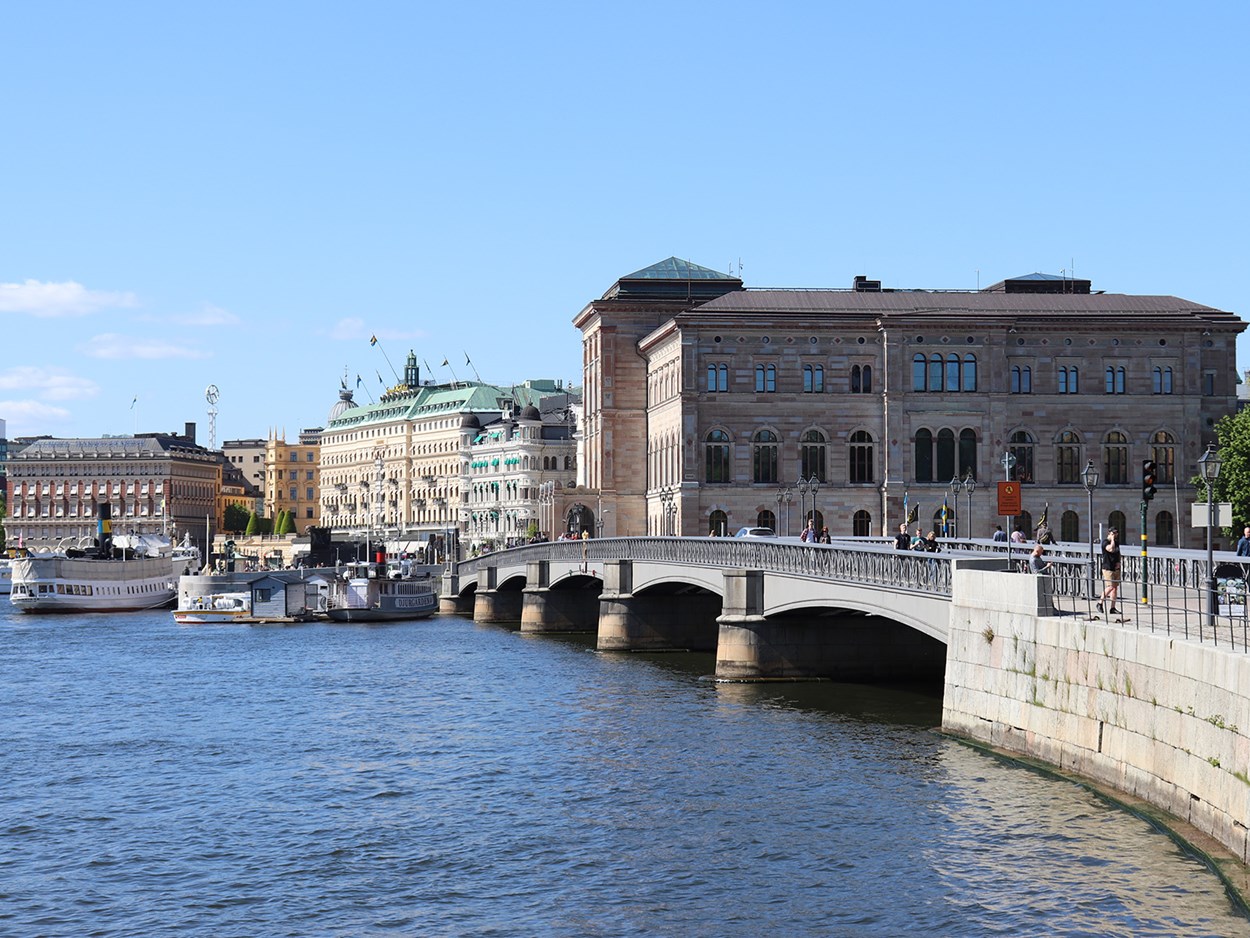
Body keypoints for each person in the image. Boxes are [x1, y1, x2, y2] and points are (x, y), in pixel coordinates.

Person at [1098, 528, 1122, 614]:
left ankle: (1113, 608)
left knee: (1115, 588)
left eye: (1116, 533)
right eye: (1114, 533)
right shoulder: (1105, 542)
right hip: (1107, 568)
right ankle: (1100, 603)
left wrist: (1119, 562)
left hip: (1115, 568)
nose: (1115, 534)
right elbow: (1111, 549)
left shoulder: (1117, 542)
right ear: (1109, 533)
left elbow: (1118, 553)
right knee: (1110, 586)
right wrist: (1112, 540)